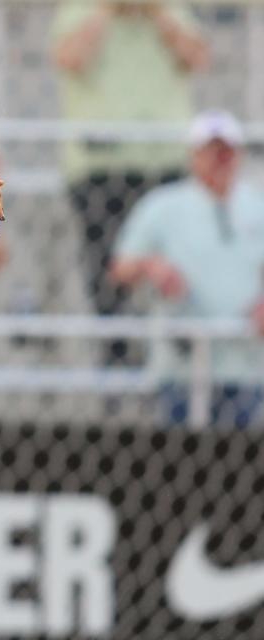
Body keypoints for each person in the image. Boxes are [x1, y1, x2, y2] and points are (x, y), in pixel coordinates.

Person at [51, 0, 207, 333]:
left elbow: (196, 57)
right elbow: (70, 58)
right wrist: (108, 10)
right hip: (102, 164)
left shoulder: (170, 9)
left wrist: (156, 13)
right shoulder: (80, 9)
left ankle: (174, 348)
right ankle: (116, 355)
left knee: (178, 263)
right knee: (108, 269)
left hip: (164, 158)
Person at [109, 110, 264, 428]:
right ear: (194, 155)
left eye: (226, 150)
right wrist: (153, 267)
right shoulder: (162, 206)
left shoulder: (256, 205)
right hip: (180, 360)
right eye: (211, 150)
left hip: (245, 361)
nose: (220, 159)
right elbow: (121, 267)